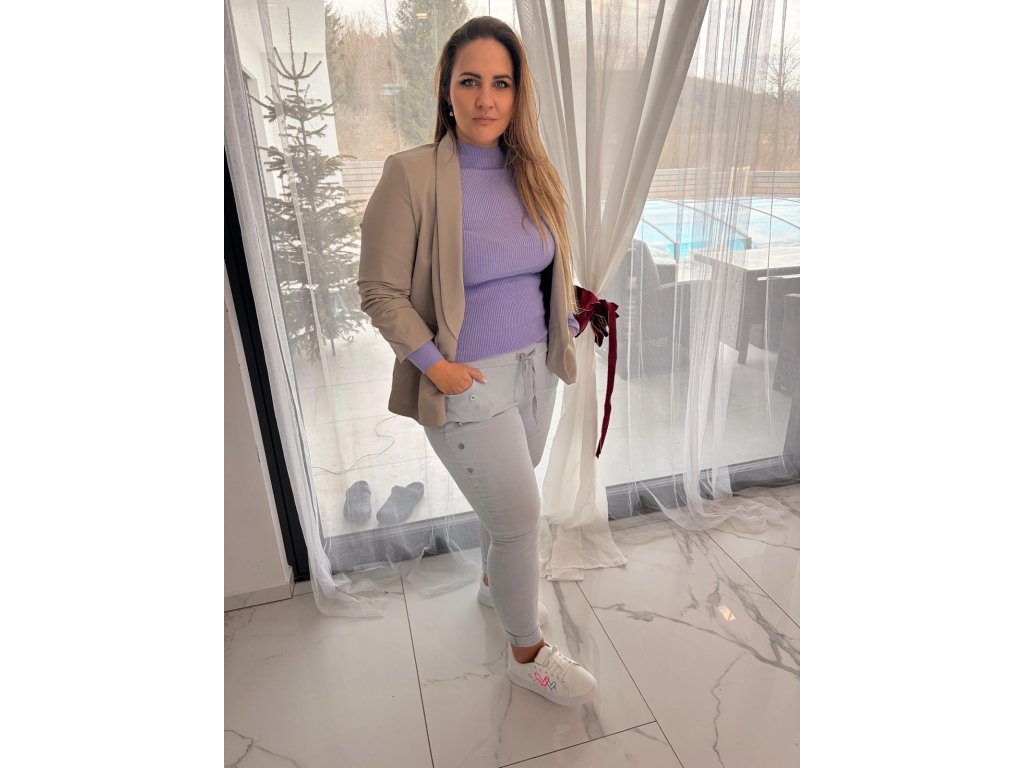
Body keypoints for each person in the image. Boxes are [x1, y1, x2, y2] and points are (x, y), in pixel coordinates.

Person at [357, 16, 598, 707]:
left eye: (501, 83)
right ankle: (526, 654)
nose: (486, 99)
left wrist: (566, 323)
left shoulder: (535, 173)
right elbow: (378, 289)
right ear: (447, 89)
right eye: (470, 81)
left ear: (519, 94)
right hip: (466, 381)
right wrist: (437, 367)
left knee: (506, 508)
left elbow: (546, 268)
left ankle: (496, 587)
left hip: (536, 371)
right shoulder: (411, 174)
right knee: (521, 518)